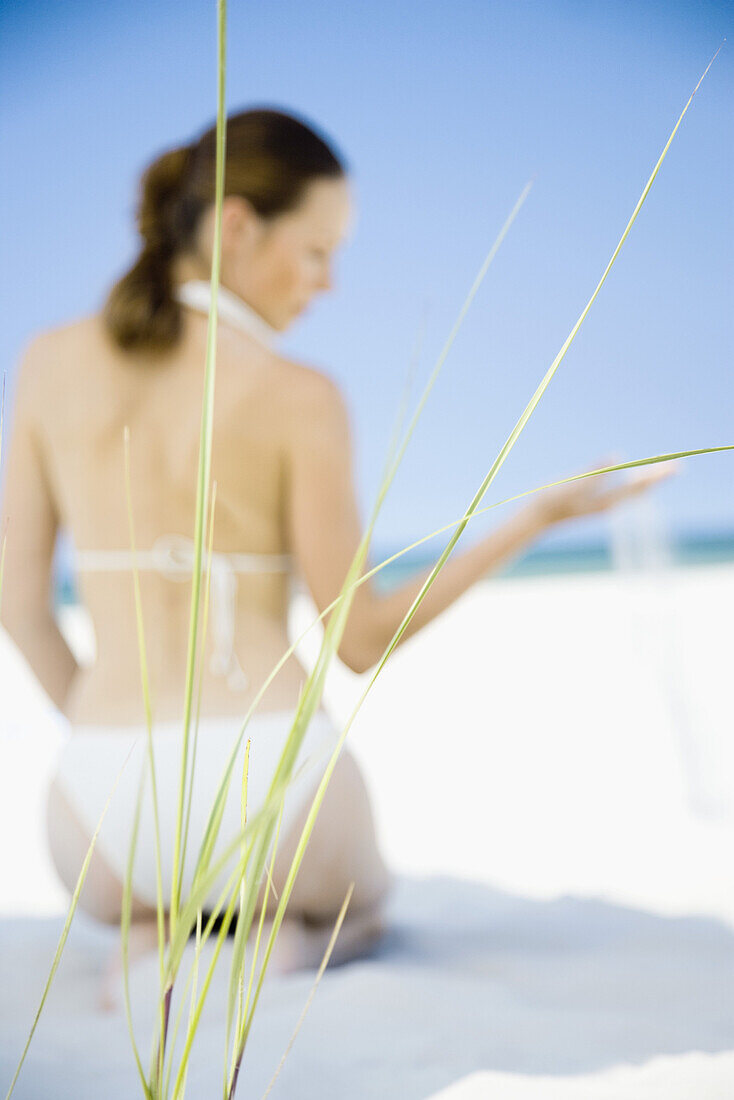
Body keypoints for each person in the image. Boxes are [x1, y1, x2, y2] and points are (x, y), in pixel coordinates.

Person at [0, 107, 671, 1002]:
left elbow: (18, 602)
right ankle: (272, 953)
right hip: (276, 790)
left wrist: (99, 728)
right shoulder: (296, 394)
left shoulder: (48, 363)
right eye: (318, 251)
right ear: (238, 226)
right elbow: (358, 639)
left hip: (98, 805)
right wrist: (533, 518)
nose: (329, 284)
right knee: (366, 906)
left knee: (160, 900)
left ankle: (157, 944)